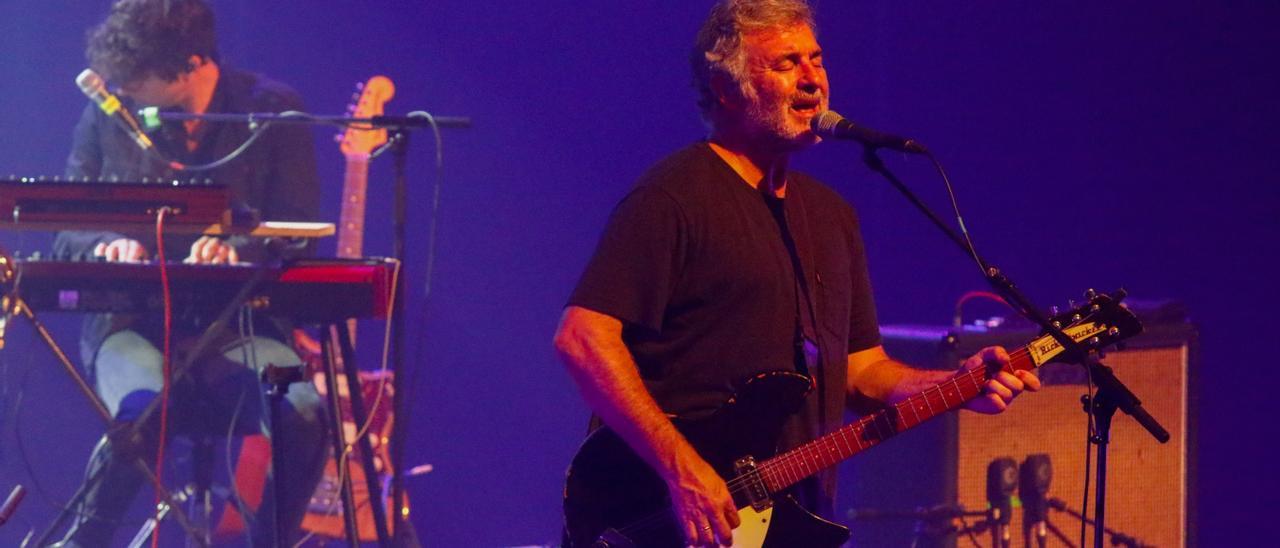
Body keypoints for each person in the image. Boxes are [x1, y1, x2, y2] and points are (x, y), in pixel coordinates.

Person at [552, 1, 1042, 546]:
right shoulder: (673, 197)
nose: (813, 79)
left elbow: (861, 372)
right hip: (666, 517)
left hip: (784, 520)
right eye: (786, 64)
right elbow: (583, 338)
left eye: (817, 59)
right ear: (725, 88)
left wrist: (953, 386)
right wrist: (683, 470)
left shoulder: (832, 217)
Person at [51, 0, 326, 545]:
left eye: (139, 72)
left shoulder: (272, 112)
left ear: (192, 61)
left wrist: (239, 245)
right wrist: (107, 243)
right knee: (142, 411)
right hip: (131, 326)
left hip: (244, 329)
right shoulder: (107, 118)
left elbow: (298, 232)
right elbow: (65, 229)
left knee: (304, 411)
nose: (124, 85)